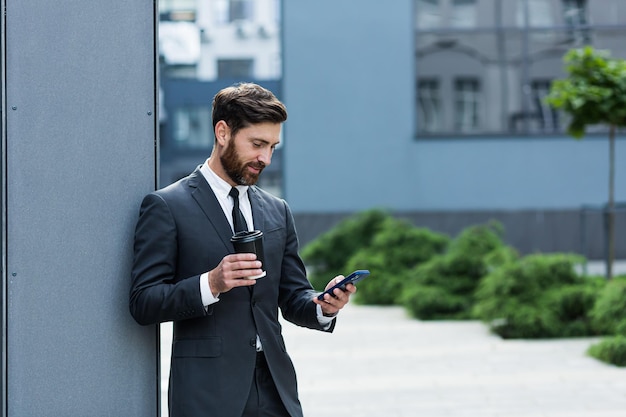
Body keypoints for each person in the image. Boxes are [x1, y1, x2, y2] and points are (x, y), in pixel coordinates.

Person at [129, 82, 355, 417]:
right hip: (208, 394)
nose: (265, 158)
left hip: (276, 389)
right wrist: (212, 283)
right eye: (257, 144)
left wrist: (324, 305)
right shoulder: (167, 206)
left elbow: (293, 297)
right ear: (223, 132)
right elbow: (143, 302)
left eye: (273, 147)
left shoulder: (277, 210)